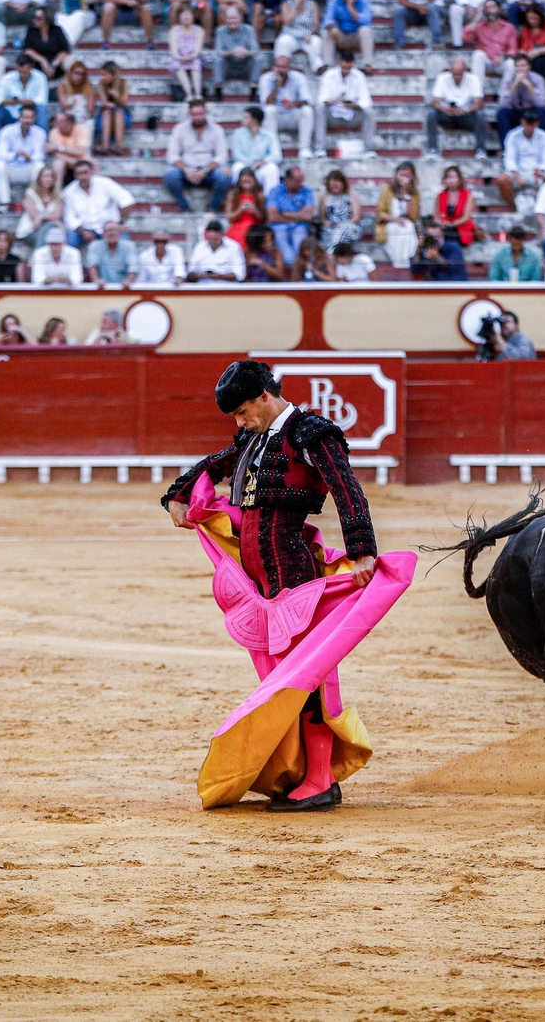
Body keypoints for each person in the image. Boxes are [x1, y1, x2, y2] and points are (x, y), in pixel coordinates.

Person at [160, 359, 395, 812]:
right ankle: (303, 772)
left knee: (307, 675)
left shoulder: (310, 433)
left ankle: (322, 779)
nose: (240, 422)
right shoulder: (254, 436)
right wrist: (177, 493)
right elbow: (215, 464)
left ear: (265, 397)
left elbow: (347, 490)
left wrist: (363, 549)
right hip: (261, 580)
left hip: (293, 574)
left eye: (244, 411)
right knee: (285, 678)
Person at [315, 52, 376, 156]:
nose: (346, 70)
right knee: (319, 109)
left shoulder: (359, 76)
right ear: (339, 63)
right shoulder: (329, 75)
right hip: (333, 115)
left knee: (369, 112)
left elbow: (366, 101)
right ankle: (320, 147)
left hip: (351, 115)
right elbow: (322, 99)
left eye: (349, 68)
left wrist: (354, 105)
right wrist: (336, 100)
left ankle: (369, 149)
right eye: (344, 67)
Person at [62, 160, 136, 246]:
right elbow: (69, 217)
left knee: (124, 243)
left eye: (85, 172)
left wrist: (120, 223)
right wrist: (83, 232)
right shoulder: (69, 192)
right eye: (79, 173)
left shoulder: (105, 183)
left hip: (108, 227)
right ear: (75, 175)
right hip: (84, 230)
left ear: (91, 172)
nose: (83, 177)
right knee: (69, 240)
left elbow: (127, 200)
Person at [426, 57, 487, 158]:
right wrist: (445, 109)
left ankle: (480, 149)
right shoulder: (442, 78)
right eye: (455, 74)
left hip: (466, 115)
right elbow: (435, 102)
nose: (458, 77)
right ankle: (432, 149)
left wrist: (465, 110)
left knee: (480, 115)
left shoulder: (473, 79)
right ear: (451, 71)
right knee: (431, 114)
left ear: (465, 71)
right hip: (447, 115)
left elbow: (479, 103)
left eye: (460, 74)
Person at [259, 55, 315, 161]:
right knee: (269, 111)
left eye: (283, 67)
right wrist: (277, 85)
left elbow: (307, 100)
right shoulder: (265, 79)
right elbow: (267, 103)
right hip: (276, 118)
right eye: (278, 67)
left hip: (292, 115)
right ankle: (274, 149)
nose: (280, 70)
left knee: (307, 111)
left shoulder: (299, 77)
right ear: (273, 67)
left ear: (289, 68)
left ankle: (304, 149)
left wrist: (293, 104)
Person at [0, 104, 47, 209]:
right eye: (25, 117)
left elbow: (40, 156)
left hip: (28, 168)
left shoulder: (40, 133)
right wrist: (16, 154)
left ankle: (35, 203)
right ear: (19, 118)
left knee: (40, 166)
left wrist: (29, 157)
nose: (28, 120)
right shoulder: (6, 131)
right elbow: (0, 155)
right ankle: (4, 203)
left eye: (31, 118)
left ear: (34, 119)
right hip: (12, 168)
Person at [497, 109, 545, 210]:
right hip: (518, 171)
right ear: (522, 121)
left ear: (537, 123)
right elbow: (510, 159)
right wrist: (517, 176)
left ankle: (544, 208)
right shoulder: (512, 135)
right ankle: (514, 206)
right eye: (527, 122)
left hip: (537, 172)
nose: (529, 126)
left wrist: (539, 172)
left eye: (532, 123)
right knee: (502, 180)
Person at [373, 163, 420, 268]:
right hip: (389, 223)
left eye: (407, 175)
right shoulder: (387, 189)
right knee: (401, 229)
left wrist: (406, 194)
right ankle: (403, 263)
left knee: (408, 227)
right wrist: (395, 220)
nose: (403, 178)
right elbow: (380, 213)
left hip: (407, 223)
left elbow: (414, 216)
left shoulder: (414, 193)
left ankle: (402, 263)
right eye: (401, 175)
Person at [214, 3, 266, 97]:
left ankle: (254, 89)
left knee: (258, 59)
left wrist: (245, 52)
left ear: (240, 18)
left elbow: (256, 50)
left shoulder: (249, 30)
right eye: (229, 18)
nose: (232, 21)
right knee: (218, 60)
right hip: (229, 64)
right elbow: (218, 52)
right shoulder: (220, 31)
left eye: (234, 18)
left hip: (245, 64)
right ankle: (218, 90)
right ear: (225, 19)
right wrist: (232, 52)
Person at [267, 166, 316, 265]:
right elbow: (272, 217)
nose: (300, 184)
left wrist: (286, 214)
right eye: (297, 181)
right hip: (279, 227)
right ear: (287, 179)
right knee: (284, 248)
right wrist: (298, 216)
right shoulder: (275, 191)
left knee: (300, 246)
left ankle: (298, 270)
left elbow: (308, 216)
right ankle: (292, 269)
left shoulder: (307, 191)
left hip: (300, 227)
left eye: (301, 181)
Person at [322, 0, 375, 67]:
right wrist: (332, 27)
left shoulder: (364, 1)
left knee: (366, 30)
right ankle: (328, 64)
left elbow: (365, 21)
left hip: (357, 37)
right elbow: (327, 19)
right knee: (326, 31)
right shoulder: (336, 1)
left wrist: (350, 7)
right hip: (341, 36)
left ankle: (367, 64)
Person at [462, 0, 516, 85]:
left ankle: (505, 95)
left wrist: (503, 57)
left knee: (511, 63)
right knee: (478, 54)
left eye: (493, 7)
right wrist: (477, 17)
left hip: (500, 62)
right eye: (487, 8)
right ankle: (478, 93)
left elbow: (513, 50)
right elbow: (465, 37)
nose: (490, 10)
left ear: (499, 9)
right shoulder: (479, 26)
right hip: (485, 62)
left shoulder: (509, 28)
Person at [494, 54, 545, 145]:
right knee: (502, 114)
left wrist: (530, 87)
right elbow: (502, 103)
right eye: (518, 66)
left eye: (523, 66)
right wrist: (514, 86)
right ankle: (506, 149)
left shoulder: (538, 79)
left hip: (531, 111)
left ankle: (540, 145)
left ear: (529, 67)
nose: (520, 69)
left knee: (542, 111)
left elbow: (542, 103)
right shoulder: (509, 79)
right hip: (516, 111)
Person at [231, 106, 283, 194]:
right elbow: (237, 155)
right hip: (245, 166)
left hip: (261, 168)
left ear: (254, 120)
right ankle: (238, 199)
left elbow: (277, 156)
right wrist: (251, 164)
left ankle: (270, 203)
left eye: (246, 117)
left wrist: (261, 162)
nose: (242, 120)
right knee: (237, 167)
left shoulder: (269, 136)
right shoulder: (238, 134)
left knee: (272, 169)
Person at [317, 168, 362, 253]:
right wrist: (328, 223)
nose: (334, 188)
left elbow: (356, 218)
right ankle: (334, 253)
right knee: (333, 233)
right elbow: (322, 218)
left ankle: (331, 253)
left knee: (341, 230)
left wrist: (342, 225)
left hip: (349, 227)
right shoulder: (326, 196)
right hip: (330, 228)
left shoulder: (351, 195)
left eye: (337, 186)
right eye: (332, 186)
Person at [84, 221, 138, 287]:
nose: (111, 233)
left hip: (124, 288)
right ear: (103, 234)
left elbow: (133, 266)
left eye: (114, 230)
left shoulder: (129, 246)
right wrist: (96, 280)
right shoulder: (95, 246)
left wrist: (129, 281)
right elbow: (92, 265)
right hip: (102, 288)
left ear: (120, 233)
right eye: (108, 231)